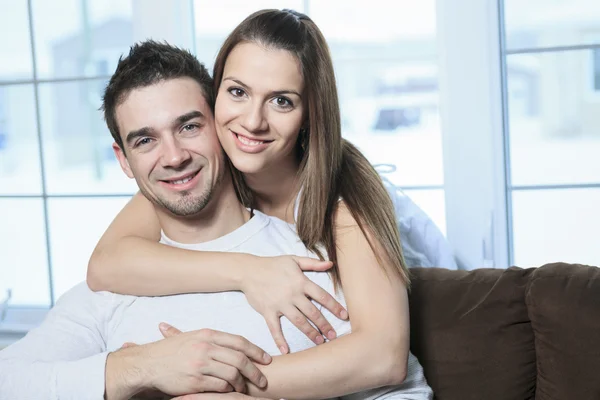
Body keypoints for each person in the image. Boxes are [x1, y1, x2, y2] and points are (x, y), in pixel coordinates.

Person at [0, 39, 431, 399]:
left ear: (222, 130)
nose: (173, 157)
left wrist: (234, 385)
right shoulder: (113, 286)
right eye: (145, 140)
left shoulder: (314, 260)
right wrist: (141, 366)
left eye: (189, 127)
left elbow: (391, 370)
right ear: (124, 160)